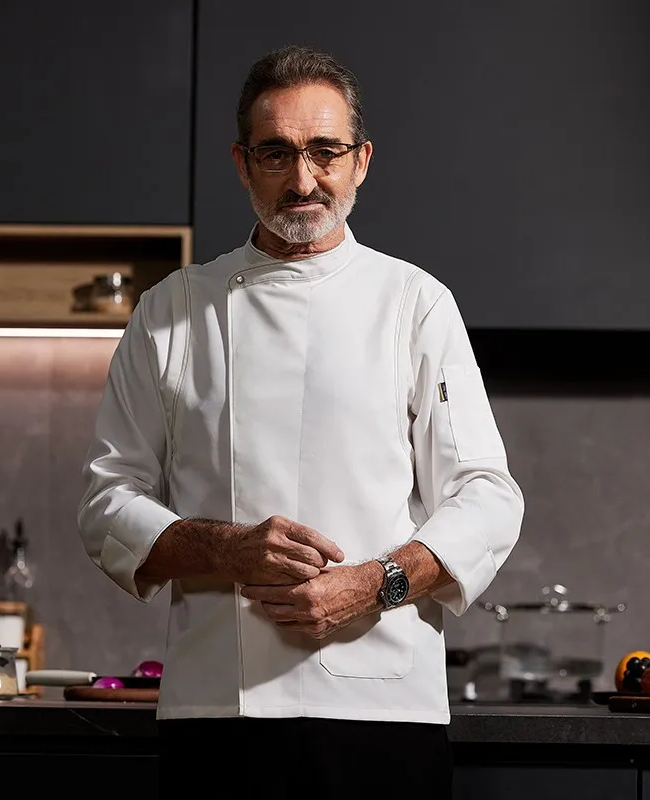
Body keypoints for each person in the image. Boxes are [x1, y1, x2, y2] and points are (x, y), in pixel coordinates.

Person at [77, 44, 524, 799]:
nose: (304, 179)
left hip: (381, 708)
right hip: (218, 709)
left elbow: (486, 495)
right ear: (242, 163)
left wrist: (376, 582)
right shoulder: (171, 311)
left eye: (326, 151)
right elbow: (105, 503)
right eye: (277, 153)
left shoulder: (414, 303)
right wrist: (227, 548)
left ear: (361, 160)